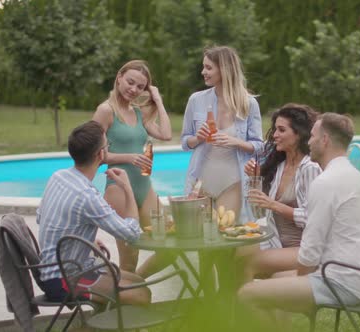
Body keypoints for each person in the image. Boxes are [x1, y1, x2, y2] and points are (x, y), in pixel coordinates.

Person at [238, 113, 360, 323]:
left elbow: (310, 251)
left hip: (338, 282)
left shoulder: (326, 182)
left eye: (312, 136)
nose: (309, 141)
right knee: (277, 281)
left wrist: (299, 281)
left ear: (325, 140)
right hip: (359, 278)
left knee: (246, 295)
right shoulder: (356, 177)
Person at [37, 121, 149, 305]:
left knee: (138, 281)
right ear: (101, 154)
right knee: (141, 294)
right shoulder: (87, 196)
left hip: (51, 271)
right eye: (107, 145)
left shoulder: (57, 176)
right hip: (64, 281)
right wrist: (127, 188)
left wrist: (84, 240)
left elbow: (42, 218)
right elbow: (132, 234)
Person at [93, 60, 174, 277]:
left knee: (172, 245)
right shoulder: (105, 111)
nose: (133, 89)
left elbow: (166, 134)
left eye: (140, 87)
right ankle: (124, 297)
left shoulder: (139, 113)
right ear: (119, 77)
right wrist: (130, 157)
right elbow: (96, 156)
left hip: (144, 187)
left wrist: (157, 99)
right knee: (130, 258)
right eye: (130, 82)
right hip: (119, 189)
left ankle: (134, 283)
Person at [239, 104, 321, 282]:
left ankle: (245, 305)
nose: (274, 135)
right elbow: (260, 213)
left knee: (247, 262)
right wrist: (254, 182)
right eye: (275, 129)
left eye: (281, 130)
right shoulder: (280, 166)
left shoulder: (310, 168)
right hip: (275, 241)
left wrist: (273, 204)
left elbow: (314, 218)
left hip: (304, 248)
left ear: (299, 133)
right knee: (233, 253)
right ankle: (228, 306)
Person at [180, 45, 263, 222]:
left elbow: (259, 146)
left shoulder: (248, 103)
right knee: (201, 238)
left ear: (225, 69)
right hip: (200, 181)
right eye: (204, 67)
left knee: (226, 235)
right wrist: (198, 138)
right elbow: (185, 142)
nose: (203, 72)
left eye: (209, 67)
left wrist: (235, 142)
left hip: (232, 182)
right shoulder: (196, 100)